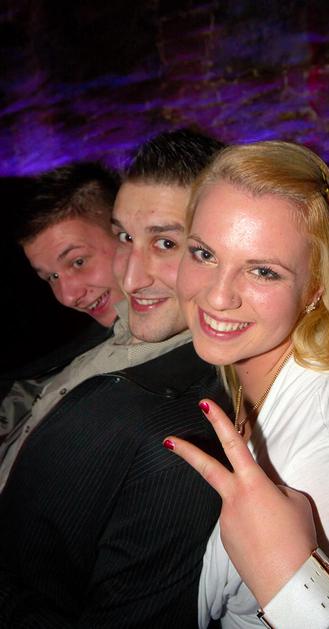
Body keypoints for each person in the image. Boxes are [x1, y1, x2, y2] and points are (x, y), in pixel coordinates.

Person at [164, 140, 329, 627]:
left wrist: (289, 577)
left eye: (263, 271)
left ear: (316, 289)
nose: (217, 296)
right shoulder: (248, 370)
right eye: (203, 253)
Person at [0, 128, 229, 628]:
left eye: (165, 242)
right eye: (127, 238)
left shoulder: (179, 432)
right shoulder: (117, 326)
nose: (67, 295)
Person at [1, 162, 123, 438]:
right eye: (51, 277)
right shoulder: (99, 337)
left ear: (126, 235)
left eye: (78, 262)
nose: (68, 296)